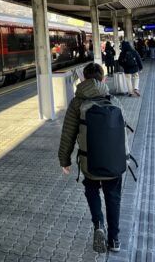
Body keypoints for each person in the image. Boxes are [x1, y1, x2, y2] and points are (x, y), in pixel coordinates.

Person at [59, 63, 128, 253]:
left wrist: (64, 161)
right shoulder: (113, 100)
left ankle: (99, 224)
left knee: (91, 191)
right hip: (114, 163)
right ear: (103, 79)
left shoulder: (77, 103)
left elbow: (68, 134)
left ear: (84, 80)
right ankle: (114, 240)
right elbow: (122, 134)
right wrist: (126, 159)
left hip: (90, 162)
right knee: (113, 198)